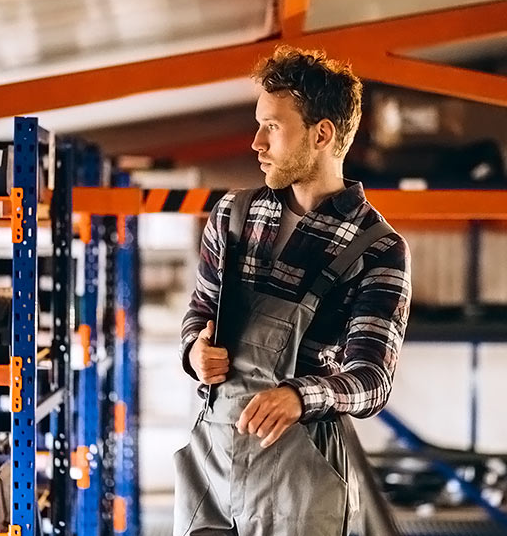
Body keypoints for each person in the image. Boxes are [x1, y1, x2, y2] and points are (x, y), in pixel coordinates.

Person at [174, 46, 412, 536]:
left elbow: (372, 379)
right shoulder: (233, 214)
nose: (257, 143)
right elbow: (199, 310)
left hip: (300, 469)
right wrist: (194, 351)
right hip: (213, 458)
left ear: (322, 134)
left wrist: (299, 396)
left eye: (273, 127)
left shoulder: (379, 249)